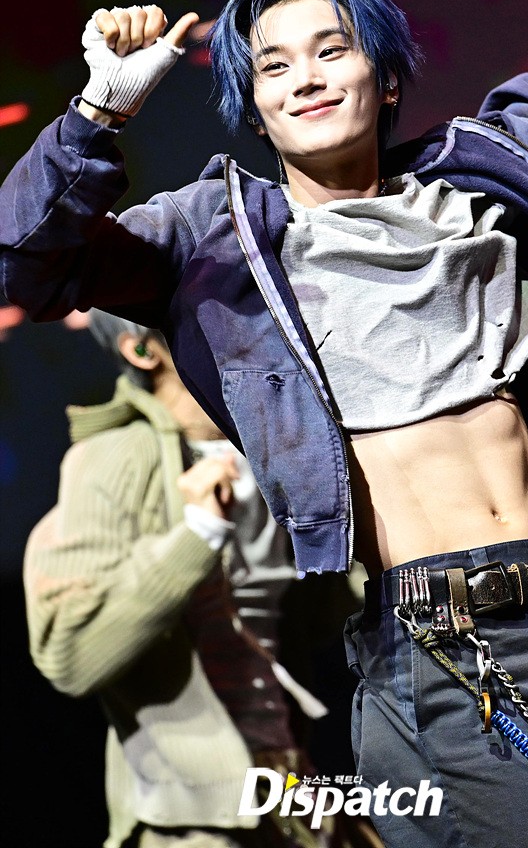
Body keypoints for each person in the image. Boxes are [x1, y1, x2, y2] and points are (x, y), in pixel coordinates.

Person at [2, 0, 528, 847]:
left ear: (388, 75)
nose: (305, 78)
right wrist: (99, 111)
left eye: (331, 50)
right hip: (445, 651)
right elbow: (26, 260)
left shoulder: (465, 184)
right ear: (255, 107)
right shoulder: (216, 240)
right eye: (275, 66)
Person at [22, 308, 368, 848]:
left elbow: (316, 615)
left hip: (293, 794)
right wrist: (196, 535)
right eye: (204, 309)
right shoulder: (114, 456)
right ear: (143, 350)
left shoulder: (271, 455)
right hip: (193, 822)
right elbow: (69, 653)